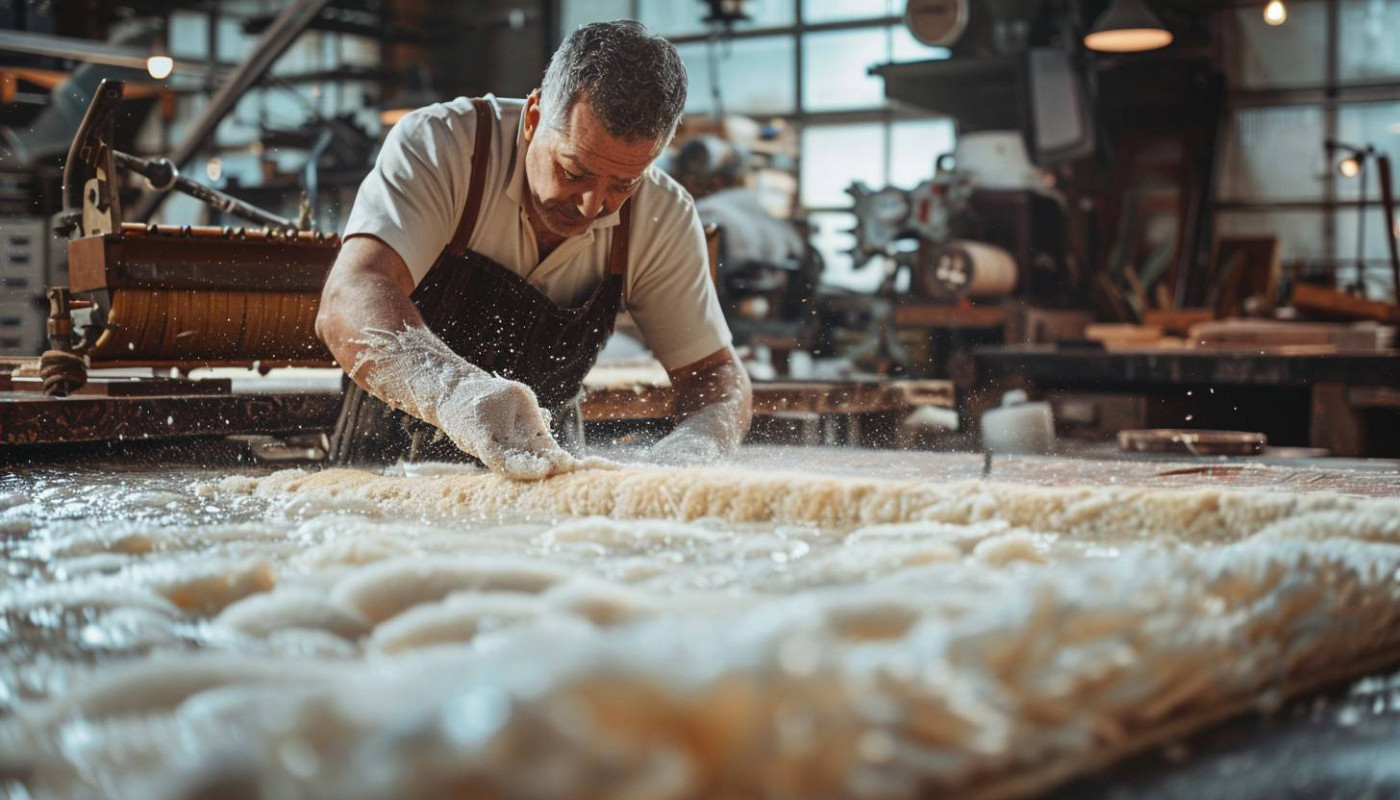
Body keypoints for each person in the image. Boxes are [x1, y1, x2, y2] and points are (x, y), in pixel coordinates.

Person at [316, 21, 752, 479]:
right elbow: (351, 294)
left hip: (546, 482)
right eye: (574, 171)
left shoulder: (661, 214)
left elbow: (716, 378)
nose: (594, 205)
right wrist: (455, 392)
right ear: (532, 117)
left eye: (623, 184)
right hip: (382, 472)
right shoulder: (444, 147)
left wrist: (690, 454)